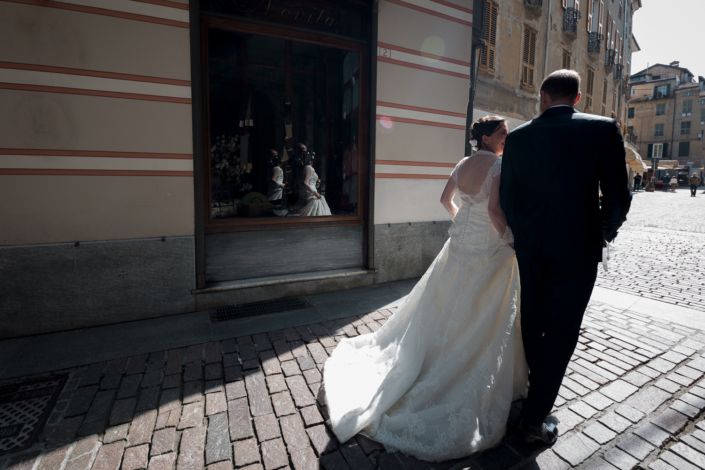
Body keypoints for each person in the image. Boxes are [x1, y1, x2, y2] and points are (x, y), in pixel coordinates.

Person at [321, 116, 528, 462]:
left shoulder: (463, 163)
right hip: (488, 249)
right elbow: (494, 210)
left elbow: (445, 199)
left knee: (445, 303)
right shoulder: (499, 165)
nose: (507, 139)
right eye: (503, 133)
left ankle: (435, 355)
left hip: (460, 246)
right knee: (482, 311)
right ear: (489, 137)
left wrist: (462, 221)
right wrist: (509, 239)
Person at [500, 69, 631, 445]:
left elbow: (508, 198)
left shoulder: (519, 137)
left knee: (534, 321)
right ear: (577, 98)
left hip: (532, 249)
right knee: (563, 330)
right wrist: (602, 232)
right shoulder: (603, 129)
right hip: (578, 250)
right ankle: (532, 419)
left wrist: (524, 237)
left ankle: (535, 396)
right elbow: (619, 197)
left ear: (542, 96)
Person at [299, 149, 332, 216]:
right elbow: (305, 182)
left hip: (312, 189)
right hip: (311, 191)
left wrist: (317, 182)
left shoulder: (307, 167)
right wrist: (315, 193)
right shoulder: (309, 168)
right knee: (317, 206)